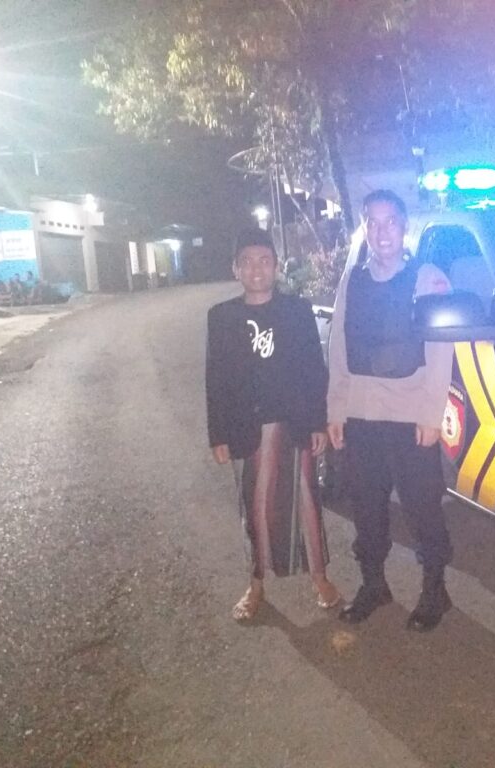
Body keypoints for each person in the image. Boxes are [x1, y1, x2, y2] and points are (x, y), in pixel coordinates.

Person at [327, 189, 455, 632]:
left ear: (404, 227)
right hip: (361, 415)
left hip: (410, 416)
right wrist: (336, 409)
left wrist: (432, 414)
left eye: (391, 222)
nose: (382, 232)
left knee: (422, 507)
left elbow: (440, 349)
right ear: (365, 227)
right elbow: (339, 345)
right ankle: (374, 585)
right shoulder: (352, 280)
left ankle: (435, 589)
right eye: (373, 222)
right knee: (366, 506)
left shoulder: (428, 278)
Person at [206, 228, 341, 621]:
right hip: (246, 430)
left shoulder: (297, 311)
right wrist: (217, 434)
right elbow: (215, 378)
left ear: (276, 266)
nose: (256, 269)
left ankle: (320, 577)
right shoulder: (222, 317)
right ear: (235, 269)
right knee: (253, 507)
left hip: (293, 425)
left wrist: (318, 422)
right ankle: (256, 584)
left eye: (264, 260)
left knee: (307, 503)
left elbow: (313, 370)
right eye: (247, 262)